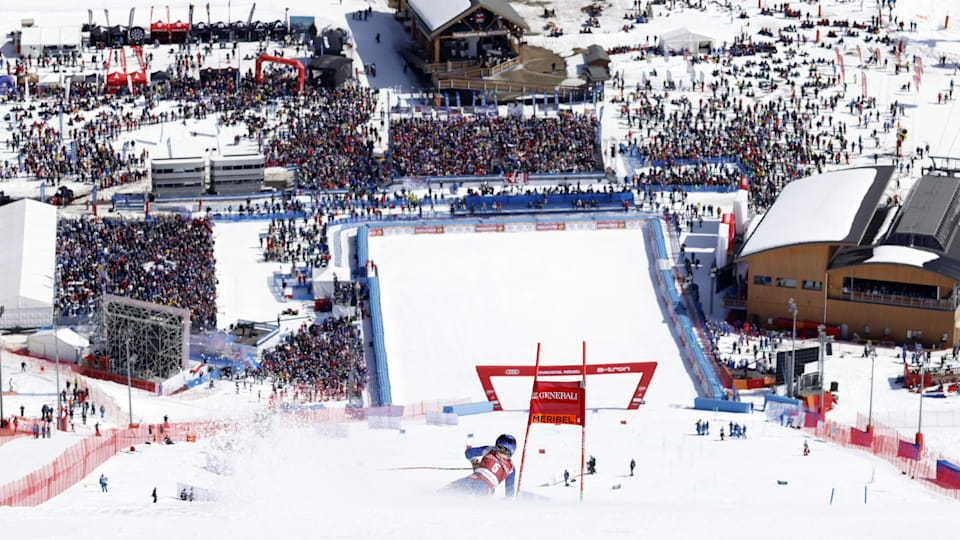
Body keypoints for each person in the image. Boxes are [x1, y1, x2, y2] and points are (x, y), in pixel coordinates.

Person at [444, 434, 516, 497]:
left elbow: (468, 453)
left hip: (472, 479)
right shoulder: (511, 467)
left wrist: (474, 461)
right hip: (487, 488)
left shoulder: (490, 450)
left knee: (443, 494)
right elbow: (509, 494)